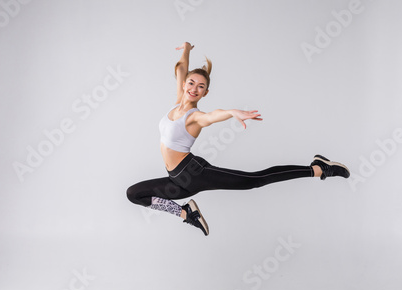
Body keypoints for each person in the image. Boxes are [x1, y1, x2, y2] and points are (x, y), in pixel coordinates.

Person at [127, 42, 350, 236]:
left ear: (205, 93)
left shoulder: (194, 117)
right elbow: (181, 68)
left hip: (192, 174)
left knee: (254, 180)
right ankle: (187, 213)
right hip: (175, 181)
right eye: (192, 83)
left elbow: (213, 116)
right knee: (134, 194)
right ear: (184, 83)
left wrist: (232, 112)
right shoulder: (177, 102)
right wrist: (186, 49)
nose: (194, 88)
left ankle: (318, 168)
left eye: (201, 86)